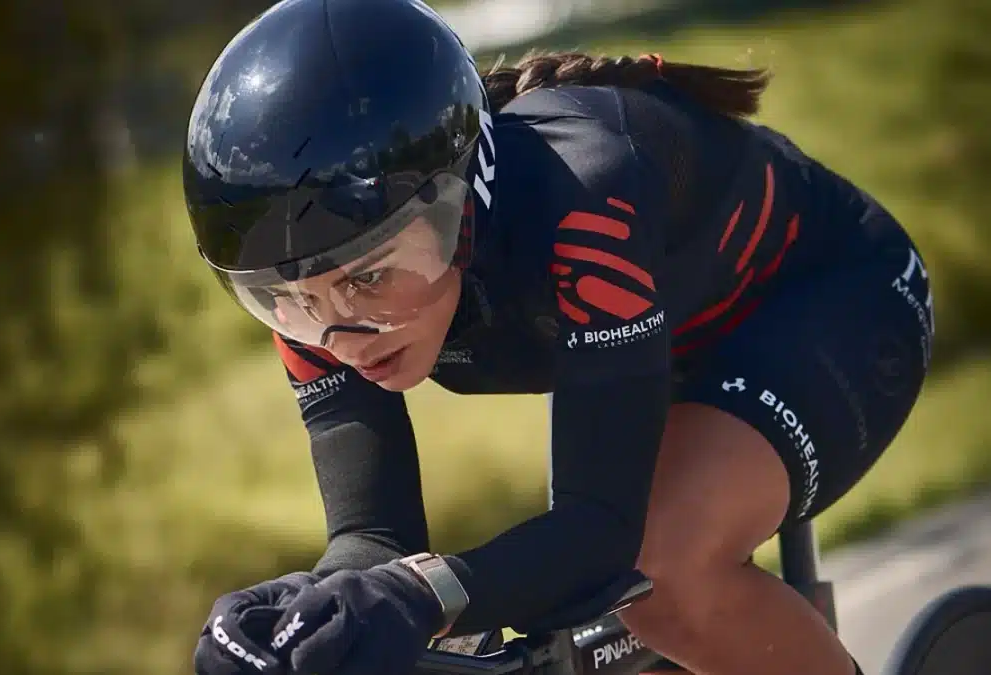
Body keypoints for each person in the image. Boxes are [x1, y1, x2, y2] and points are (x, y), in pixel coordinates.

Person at [182, 0, 934, 673]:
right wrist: (302, 611)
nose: (339, 335)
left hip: (827, 299)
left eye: (371, 277)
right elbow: (376, 539)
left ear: (464, 200)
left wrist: (419, 593)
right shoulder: (321, 298)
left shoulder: (586, 193)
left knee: (662, 575)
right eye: (283, 300)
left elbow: (600, 533)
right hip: (651, 335)